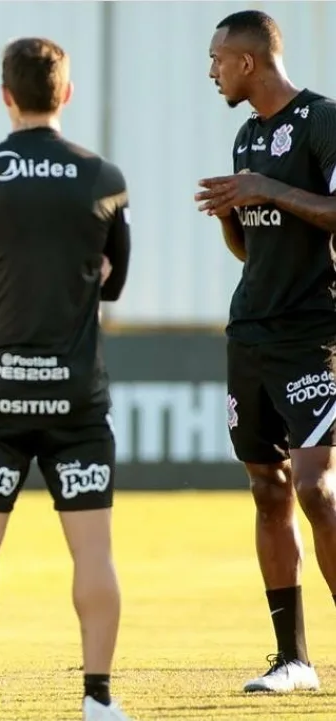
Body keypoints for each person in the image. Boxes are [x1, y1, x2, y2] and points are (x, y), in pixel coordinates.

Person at [0, 38, 133, 721]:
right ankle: (99, 698)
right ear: (67, 94)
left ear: (6, 95)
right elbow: (115, 282)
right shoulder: (104, 177)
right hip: (77, 402)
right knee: (94, 552)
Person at [196, 9, 336, 694]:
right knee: (268, 485)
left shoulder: (322, 119)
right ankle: (294, 659)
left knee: (318, 487)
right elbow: (253, 246)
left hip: (311, 332)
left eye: (218, 58)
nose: (212, 70)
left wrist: (265, 188)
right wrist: (232, 212)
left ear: (248, 61)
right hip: (248, 331)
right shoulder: (246, 137)